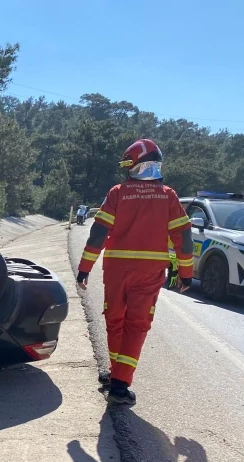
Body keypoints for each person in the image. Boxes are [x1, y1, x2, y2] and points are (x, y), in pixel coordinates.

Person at [76, 139, 194, 406]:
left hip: (116, 269)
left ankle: (116, 374)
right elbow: (183, 238)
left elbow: (98, 235)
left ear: (135, 166)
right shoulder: (168, 196)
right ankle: (120, 384)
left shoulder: (117, 193)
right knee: (137, 325)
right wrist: (186, 273)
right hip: (149, 271)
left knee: (115, 319)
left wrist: (84, 269)